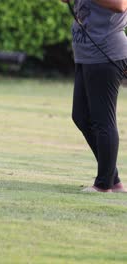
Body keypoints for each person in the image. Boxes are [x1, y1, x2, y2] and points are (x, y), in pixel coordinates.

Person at [62, 0, 127, 192]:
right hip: (87, 54)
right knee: (81, 116)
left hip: (106, 53)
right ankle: (112, 179)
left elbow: (120, 4)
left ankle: (103, 184)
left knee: (103, 121)